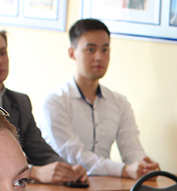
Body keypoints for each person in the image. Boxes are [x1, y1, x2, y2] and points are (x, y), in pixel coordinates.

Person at [0, 25, 87, 185]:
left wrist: (70, 170)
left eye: (2, 53)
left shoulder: (21, 102)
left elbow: (41, 152)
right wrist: (32, 172)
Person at [40, 19, 160, 178]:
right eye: (91, 49)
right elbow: (74, 157)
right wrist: (123, 170)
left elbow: (132, 149)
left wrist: (145, 166)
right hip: (64, 186)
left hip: (106, 187)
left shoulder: (120, 103)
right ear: (72, 53)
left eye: (105, 50)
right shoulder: (54, 102)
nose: (99, 57)